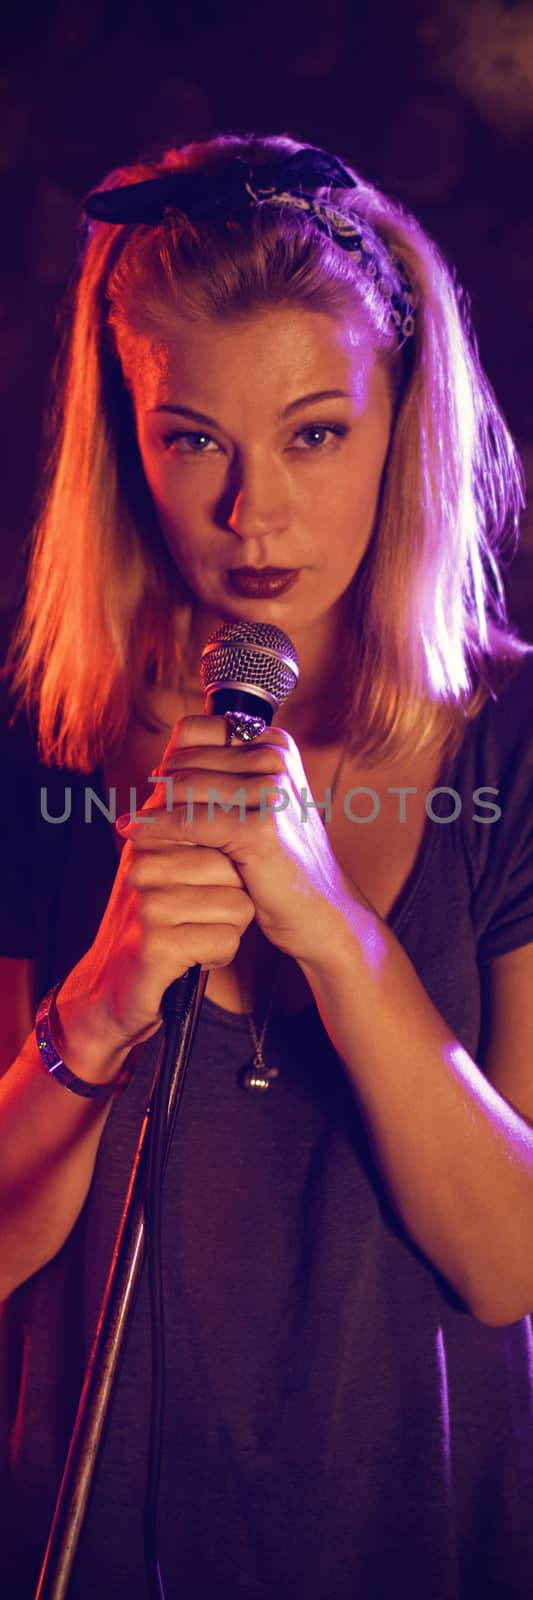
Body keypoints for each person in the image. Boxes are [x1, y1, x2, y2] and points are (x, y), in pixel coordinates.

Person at [1, 130, 533, 1600]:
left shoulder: (516, 742)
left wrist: (335, 939)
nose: (255, 516)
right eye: (193, 441)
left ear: (400, 425)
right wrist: (103, 1001)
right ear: (125, 438)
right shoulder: (41, 743)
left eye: (314, 432)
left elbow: (511, 1261)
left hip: (424, 1535)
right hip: (97, 1535)